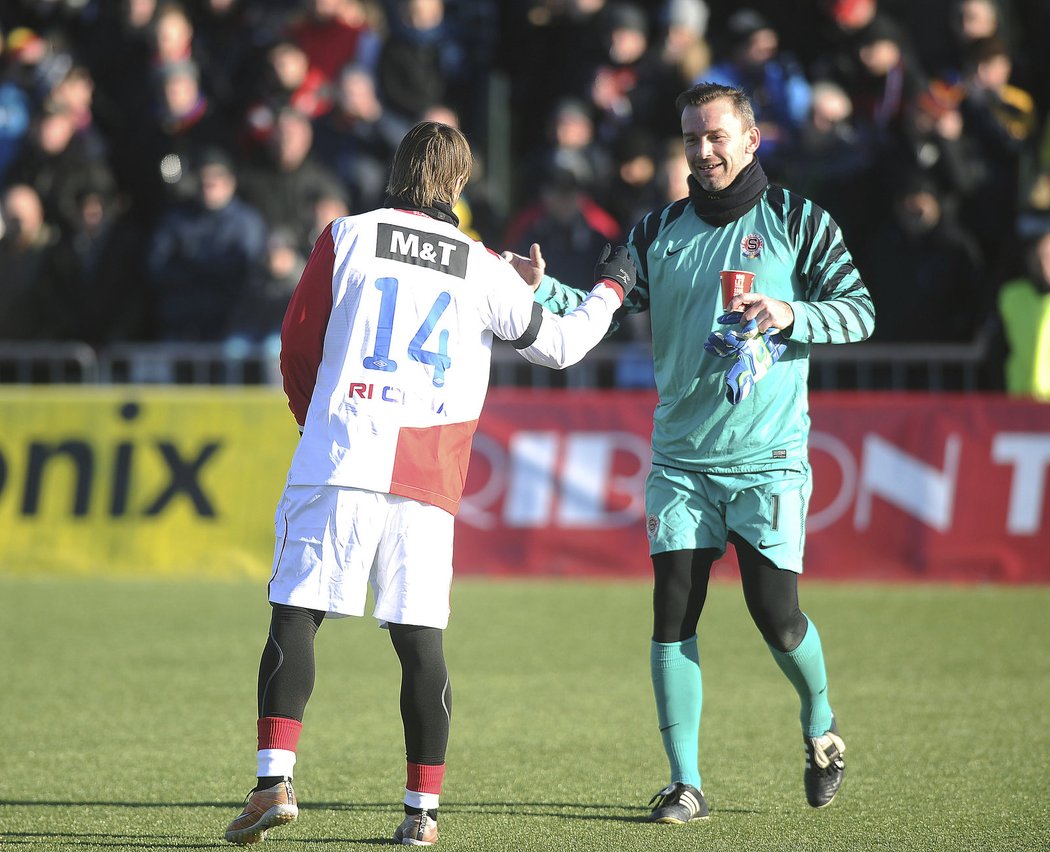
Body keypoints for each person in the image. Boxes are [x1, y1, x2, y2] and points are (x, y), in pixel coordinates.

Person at [222, 120, 636, 846]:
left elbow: (297, 342)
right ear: (461, 182)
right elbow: (563, 346)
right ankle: (421, 815)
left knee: (296, 615)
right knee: (420, 643)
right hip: (427, 471)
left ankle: (273, 782)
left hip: (342, 453)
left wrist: (314, 419)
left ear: (396, 169)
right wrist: (609, 286)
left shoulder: (346, 234)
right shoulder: (482, 266)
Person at [509, 82, 875, 822]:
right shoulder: (655, 230)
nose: (702, 151)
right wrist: (545, 293)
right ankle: (686, 783)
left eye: (715, 137)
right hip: (680, 461)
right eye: (691, 139)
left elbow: (861, 312)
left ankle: (822, 721)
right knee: (672, 613)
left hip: (768, 458)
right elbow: (605, 307)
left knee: (777, 617)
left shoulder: (799, 221)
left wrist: (790, 311)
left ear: (750, 139)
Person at [997, 228, 1050, 400]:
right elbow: (995, 348)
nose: (1045, 264)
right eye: (1040, 256)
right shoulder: (1011, 296)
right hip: (1019, 401)